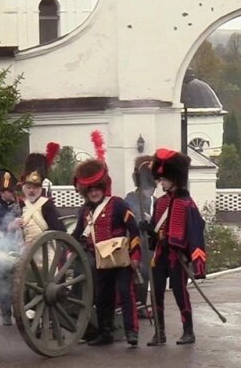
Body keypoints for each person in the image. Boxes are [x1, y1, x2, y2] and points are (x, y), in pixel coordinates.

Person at [71, 132, 143, 347]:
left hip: (121, 259)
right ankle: (105, 332)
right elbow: (76, 235)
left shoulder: (118, 204)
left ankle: (131, 332)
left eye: (96, 189)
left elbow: (134, 230)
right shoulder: (84, 212)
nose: (94, 193)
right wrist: (65, 248)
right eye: (90, 190)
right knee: (103, 296)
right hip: (100, 260)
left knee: (126, 293)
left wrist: (136, 255)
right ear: (85, 192)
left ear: (103, 188)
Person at [148, 148, 208, 345]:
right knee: (156, 293)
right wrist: (148, 230)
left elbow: (195, 231)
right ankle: (159, 333)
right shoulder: (159, 203)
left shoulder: (187, 203)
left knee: (180, 294)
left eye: (164, 179)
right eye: (160, 179)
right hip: (160, 255)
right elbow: (156, 231)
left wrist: (197, 264)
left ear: (174, 178)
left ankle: (188, 331)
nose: (161, 182)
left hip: (177, 256)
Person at [124, 155, 157, 319]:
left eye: (152, 186)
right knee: (138, 274)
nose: (150, 190)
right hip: (134, 242)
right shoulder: (130, 199)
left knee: (147, 275)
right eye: (148, 186)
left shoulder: (155, 201)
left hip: (150, 244)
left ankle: (143, 304)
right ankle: (135, 305)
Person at [14, 145, 66, 245]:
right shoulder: (21, 205)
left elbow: (59, 231)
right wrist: (12, 226)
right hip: (25, 250)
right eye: (28, 187)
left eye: (35, 187)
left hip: (46, 250)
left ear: (41, 188)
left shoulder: (47, 205)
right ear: (23, 187)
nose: (31, 191)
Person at [0, 169, 19, 326]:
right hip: (2, 251)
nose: (13, 193)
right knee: (4, 281)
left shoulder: (17, 207)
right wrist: (8, 228)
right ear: (2, 192)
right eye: (10, 191)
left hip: (20, 248)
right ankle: (6, 313)